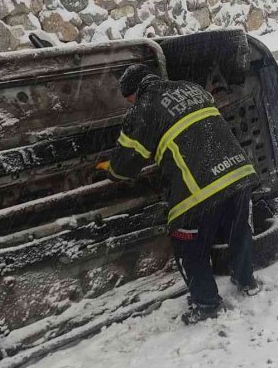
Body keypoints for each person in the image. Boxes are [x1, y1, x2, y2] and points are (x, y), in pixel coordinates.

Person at [102, 63, 260, 324]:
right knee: (238, 231)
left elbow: (122, 168)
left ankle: (207, 305)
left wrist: (108, 170)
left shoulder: (143, 108)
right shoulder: (190, 87)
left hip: (198, 189)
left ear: (134, 93)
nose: (129, 104)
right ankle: (246, 280)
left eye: (128, 100)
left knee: (190, 249)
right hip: (237, 172)